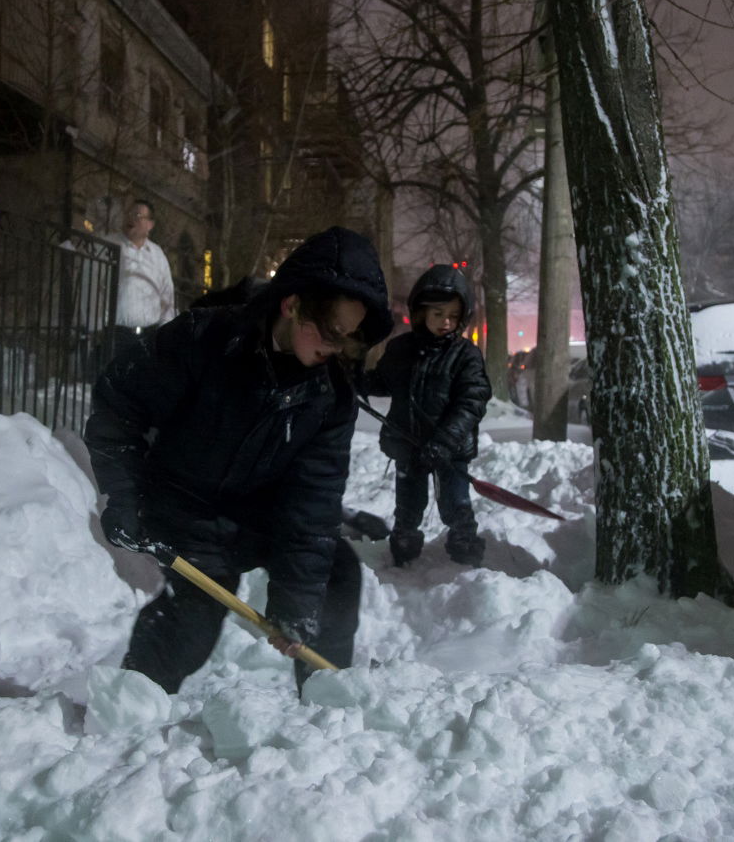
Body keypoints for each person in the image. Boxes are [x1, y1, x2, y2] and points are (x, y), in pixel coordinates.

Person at [85, 226, 393, 694]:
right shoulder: (205, 339)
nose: (336, 349)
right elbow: (117, 404)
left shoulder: (329, 396)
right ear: (293, 304)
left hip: (260, 516)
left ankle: (327, 707)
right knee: (191, 623)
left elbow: (313, 500)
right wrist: (123, 495)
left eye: (349, 338)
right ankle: (130, 705)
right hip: (185, 508)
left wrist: (296, 607)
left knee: (334, 574)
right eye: (333, 332)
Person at [365, 264, 492, 568]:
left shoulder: (465, 355)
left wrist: (445, 442)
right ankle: (404, 543)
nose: (446, 322)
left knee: (455, 502)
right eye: (438, 314)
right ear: (421, 313)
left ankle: (464, 544)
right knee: (408, 504)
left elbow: (471, 402)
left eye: (453, 315)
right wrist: (355, 379)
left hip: (450, 449)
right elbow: (384, 382)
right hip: (409, 446)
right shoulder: (401, 349)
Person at [109, 199, 176, 357]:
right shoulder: (110, 245)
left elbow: (167, 295)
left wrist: (165, 331)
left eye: (138, 215)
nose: (131, 218)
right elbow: (92, 285)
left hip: (149, 336)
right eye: (129, 213)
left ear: (150, 224)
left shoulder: (157, 255)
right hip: (116, 336)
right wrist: (95, 327)